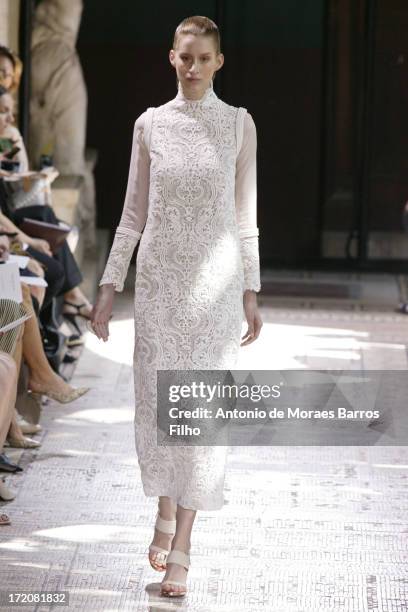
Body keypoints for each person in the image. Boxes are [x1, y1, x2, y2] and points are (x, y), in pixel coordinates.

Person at [91, 15, 263, 597]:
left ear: (219, 62)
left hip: (214, 291)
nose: (192, 67)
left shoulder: (239, 126)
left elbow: (246, 217)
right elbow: (133, 212)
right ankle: (164, 511)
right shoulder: (150, 125)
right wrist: (110, 284)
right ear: (172, 58)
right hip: (160, 287)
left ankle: (183, 545)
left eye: (203, 58)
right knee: (162, 411)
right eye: (184, 56)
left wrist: (251, 291)